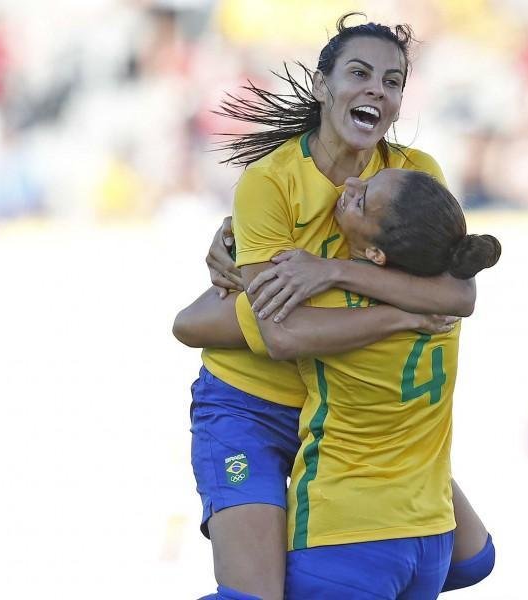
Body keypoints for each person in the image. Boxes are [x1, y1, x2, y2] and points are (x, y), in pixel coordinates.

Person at [174, 14, 494, 600]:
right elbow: (279, 335)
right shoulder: (270, 185)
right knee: (257, 596)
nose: (377, 88)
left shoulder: (414, 175)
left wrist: (332, 270)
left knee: (470, 562)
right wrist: (399, 314)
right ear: (324, 87)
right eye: (359, 73)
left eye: (392, 81)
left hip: (342, 413)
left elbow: (459, 293)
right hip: (252, 405)